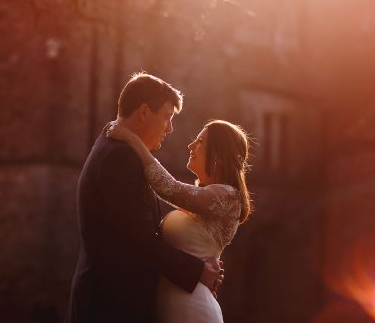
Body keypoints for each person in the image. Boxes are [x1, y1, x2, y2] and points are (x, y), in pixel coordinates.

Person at [66, 73, 223, 323]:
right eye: (167, 117)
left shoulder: (116, 149)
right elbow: (139, 239)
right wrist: (197, 271)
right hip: (110, 307)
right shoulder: (119, 158)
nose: (170, 128)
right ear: (143, 112)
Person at [107, 118, 252, 323]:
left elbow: (169, 188)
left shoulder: (227, 196)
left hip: (193, 308)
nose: (190, 146)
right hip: (171, 305)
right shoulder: (204, 197)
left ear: (218, 155)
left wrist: (132, 139)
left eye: (200, 142)